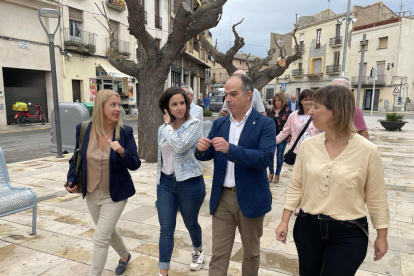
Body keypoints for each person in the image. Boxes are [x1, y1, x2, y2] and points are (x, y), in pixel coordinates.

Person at [276, 85, 390, 276]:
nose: (310, 111)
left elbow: (377, 196)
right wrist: (284, 221)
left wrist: (382, 235)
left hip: (349, 233)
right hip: (308, 228)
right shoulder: (308, 146)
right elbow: (296, 185)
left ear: (334, 113)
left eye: (316, 106)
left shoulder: (368, 151)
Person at [196, 74, 276, 276]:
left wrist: (231, 149)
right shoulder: (220, 124)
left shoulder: (265, 124)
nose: (228, 99)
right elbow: (209, 154)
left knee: (251, 253)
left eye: (233, 94)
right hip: (222, 197)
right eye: (226, 95)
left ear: (248, 95)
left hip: (251, 197)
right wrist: (201, 149)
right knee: (219, 254)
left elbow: (265, 158)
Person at [65, 89, 141, 276]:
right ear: (100, 107)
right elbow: (76, 158)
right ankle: (124, 255)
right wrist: (71, 180)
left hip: (115, 194)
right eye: (112, 105)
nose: (118, 109)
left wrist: (122, 152)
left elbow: (135, 164)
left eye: (119, 105)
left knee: (100, 238)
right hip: (91, 192)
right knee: (106, 231)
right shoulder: (83, 129)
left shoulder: (125, 132)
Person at [157, 87, 206, 276]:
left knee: (190, 223)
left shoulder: (194, 124)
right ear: (166, 107)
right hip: (165, 183)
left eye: (182, 103)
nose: (179, 108)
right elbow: (162, 156)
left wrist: (167, 127)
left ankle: (197, 250)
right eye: (174, 104)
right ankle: (163, 272)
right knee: (166, 228)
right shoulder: (162, 129)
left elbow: (179, 146)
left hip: (190, 183)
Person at [276, 89, 321, 161]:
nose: (309, 102)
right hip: (297, 151)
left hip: (313, 151)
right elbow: (285, 132)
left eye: (311, 99)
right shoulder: (293, 115)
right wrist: (273, 141)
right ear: (301, 101)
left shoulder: (318, 115)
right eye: (306, 100)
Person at [267, 93, 292, 183]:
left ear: (283, 101)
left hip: (283, 137)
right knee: (270, 156)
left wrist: (289, 135)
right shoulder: (271, 110)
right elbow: (266, 123)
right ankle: (271, 173)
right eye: (276, 101)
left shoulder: (288, 111)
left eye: (279, 101)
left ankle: (277, 175)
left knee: (279, 156)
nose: (277, 102)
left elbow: (290, 125)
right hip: (271, 137)